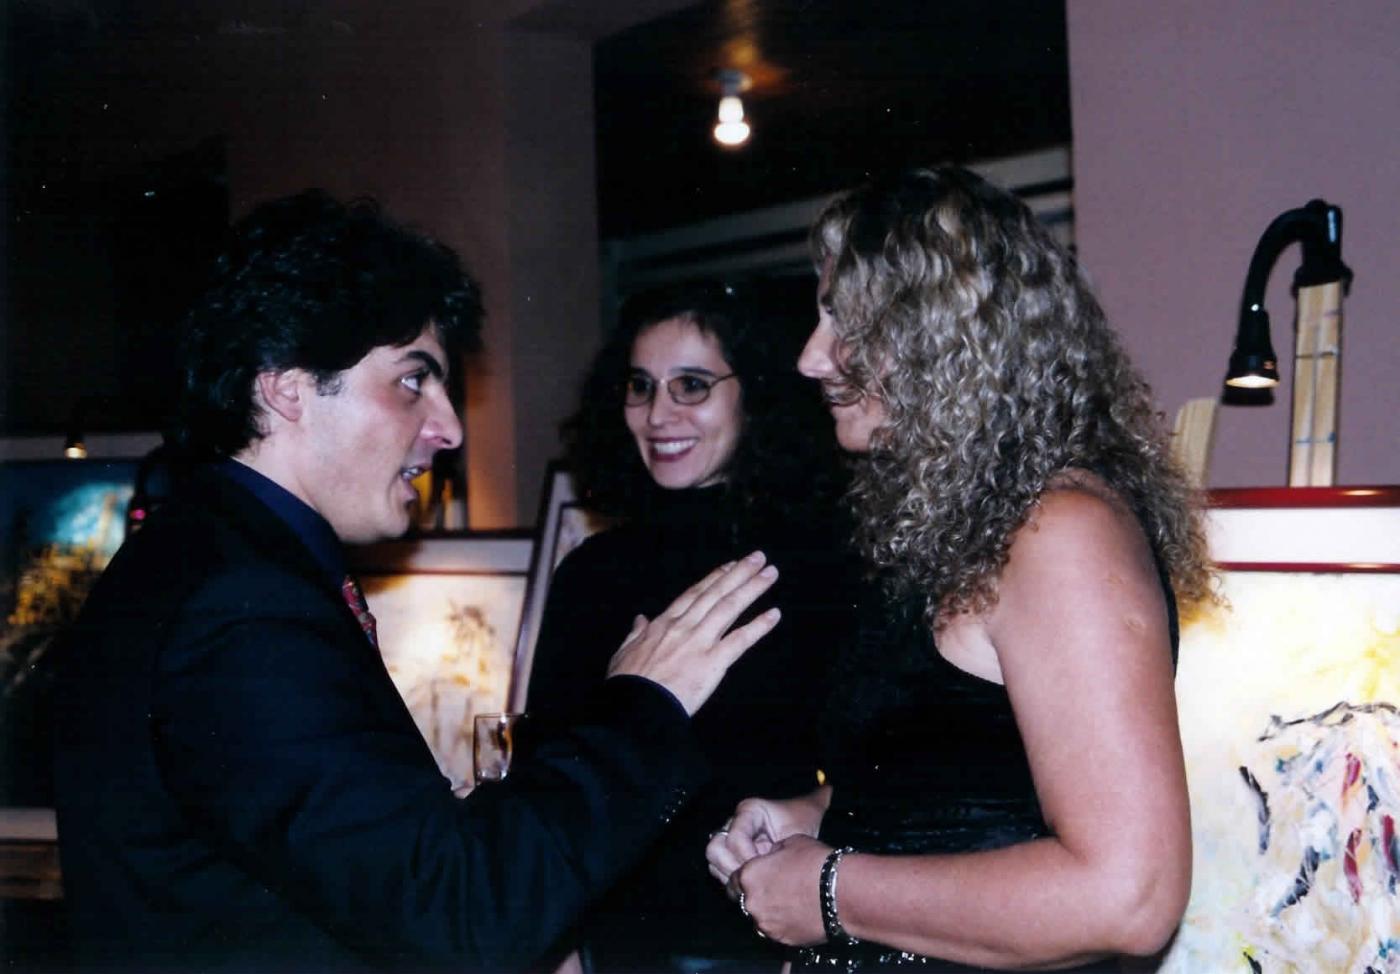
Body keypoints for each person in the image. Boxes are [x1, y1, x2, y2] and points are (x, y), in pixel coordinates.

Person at [51, 190, 783, 973]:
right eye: (412, 380)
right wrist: (646, 702)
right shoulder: (243, 604)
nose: (450, 428)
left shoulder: (211, 556)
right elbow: (460, 916)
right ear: (287, 386)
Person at [706, 166, 1215, 972]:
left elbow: (1129, 896)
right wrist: (817, 816)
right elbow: (966, 786)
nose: (810, 358)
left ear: (942, 337)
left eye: (845, 322)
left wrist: (832, 891)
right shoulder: (964, 521)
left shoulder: (1060, 531)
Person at [526, 280, 858, 974]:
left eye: (692, 386)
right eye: (641, 387)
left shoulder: (819, 564)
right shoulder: (592, 571)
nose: (658, 414)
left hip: (768, 941)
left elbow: (868, 775)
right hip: (615, 944)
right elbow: (546, 781)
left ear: (754, 395)